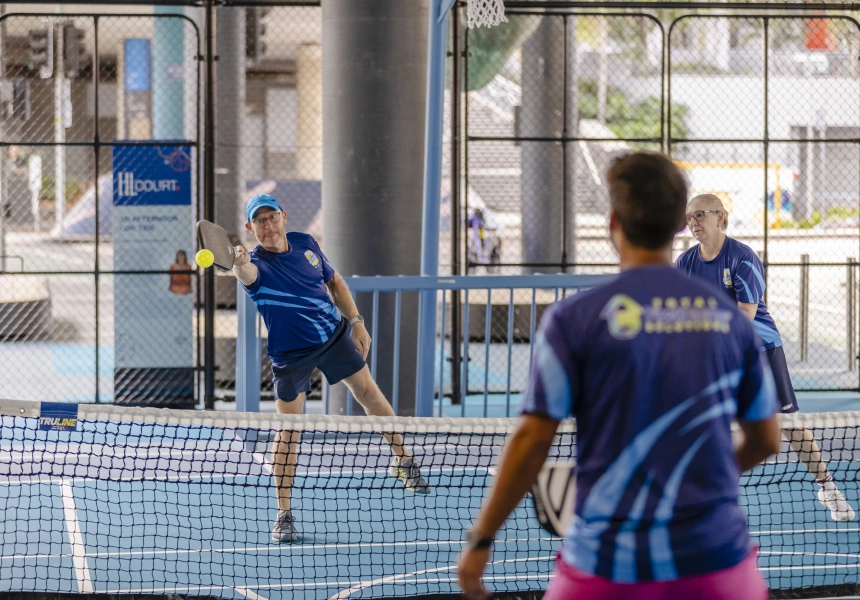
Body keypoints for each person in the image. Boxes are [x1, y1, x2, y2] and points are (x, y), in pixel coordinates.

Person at [458, 152, 781, 600]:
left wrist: (481, 540)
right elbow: (766, 440)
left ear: (614, 222)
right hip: (717, 564)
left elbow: (532, 439)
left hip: (606, 566)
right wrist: (693, 475)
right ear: (675, 226)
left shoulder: (573, 319)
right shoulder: (730, 322)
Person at [231, 193, 430, 544]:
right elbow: (246, 274)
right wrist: (238, 263)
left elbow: (335, 281)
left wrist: (357, 321)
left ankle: (404, 461)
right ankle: (284, 513)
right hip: (291, 356)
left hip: (335, 336)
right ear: (250, 228)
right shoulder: (255, 265)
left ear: (284, 216)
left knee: (370, 393)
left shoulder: (307, 244)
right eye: (259, 220)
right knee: (289, 431)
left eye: (272, 216)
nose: (268, 224)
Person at [677, 193, 855, 522]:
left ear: (720, 217)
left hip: (760, 350)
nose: (693, 223)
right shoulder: (685, 263)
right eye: (689, 217)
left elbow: (745, 314)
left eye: (700, 215)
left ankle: (828, 487)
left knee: (790, 425)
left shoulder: (742, 258)